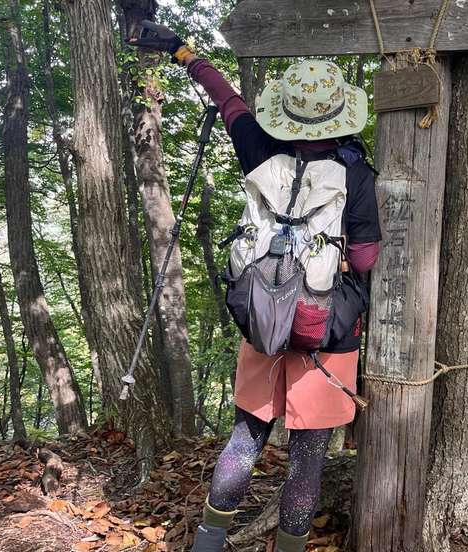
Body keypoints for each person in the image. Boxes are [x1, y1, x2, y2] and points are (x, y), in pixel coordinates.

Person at [128, 22, 381, 552]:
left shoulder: (260, 148)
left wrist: (183, 52)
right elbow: (364, 257)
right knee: (307, 459)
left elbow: (227, 101)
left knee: (245, 440)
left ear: (287, 111)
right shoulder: (356, 174)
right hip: (326, 333)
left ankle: (208, 541)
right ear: (338, 114)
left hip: (262, 319)